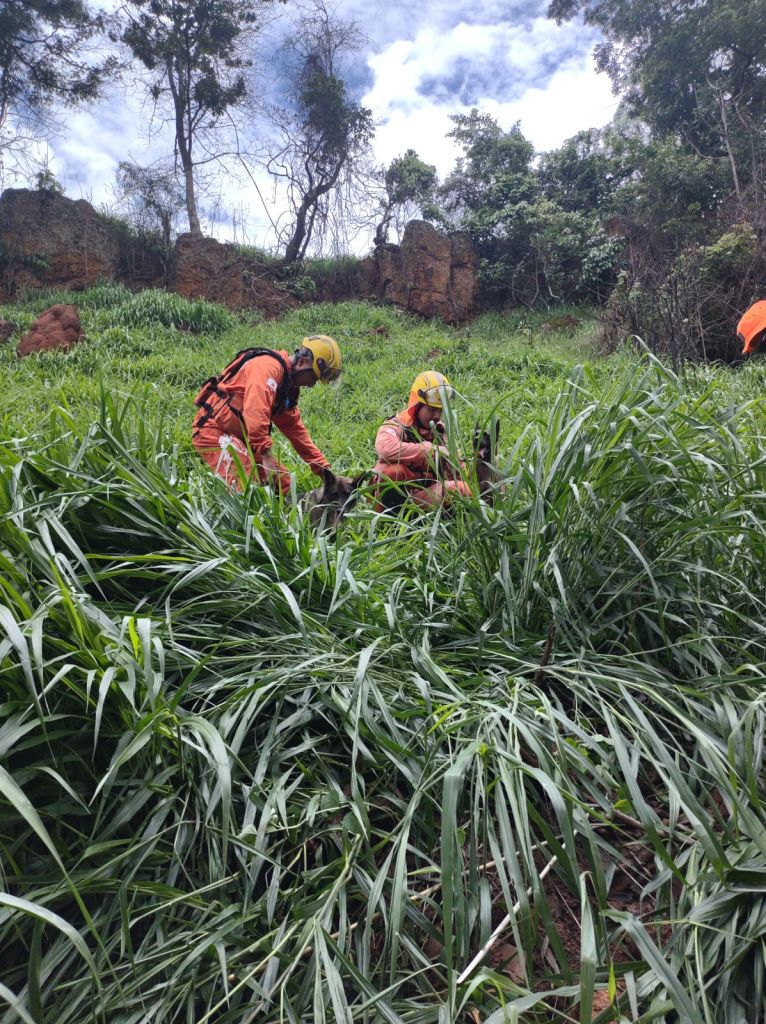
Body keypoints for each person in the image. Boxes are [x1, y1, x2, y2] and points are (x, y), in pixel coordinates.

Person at [192, 335, 341, 492]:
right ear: (302, 362)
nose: (311, 384)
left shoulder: (286, 387)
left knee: (286, 487)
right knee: (246, 487)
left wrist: (325, 471)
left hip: (246, 441)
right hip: (214, 432)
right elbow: (256, 412)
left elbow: (296, 432)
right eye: (313, 378)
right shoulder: (267, 368)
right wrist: (266, 455)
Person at [373, 370, 472, 509]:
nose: (437, 416)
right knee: (393, 472)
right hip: (393, 496)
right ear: (416, 405)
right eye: (431, 409)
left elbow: (459, 472)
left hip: (424, 495)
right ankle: (383, 523)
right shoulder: (396, 425)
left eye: (440, 410)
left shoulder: (441, 431)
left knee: (462, 488)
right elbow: (385, 450)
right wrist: (429, 450)